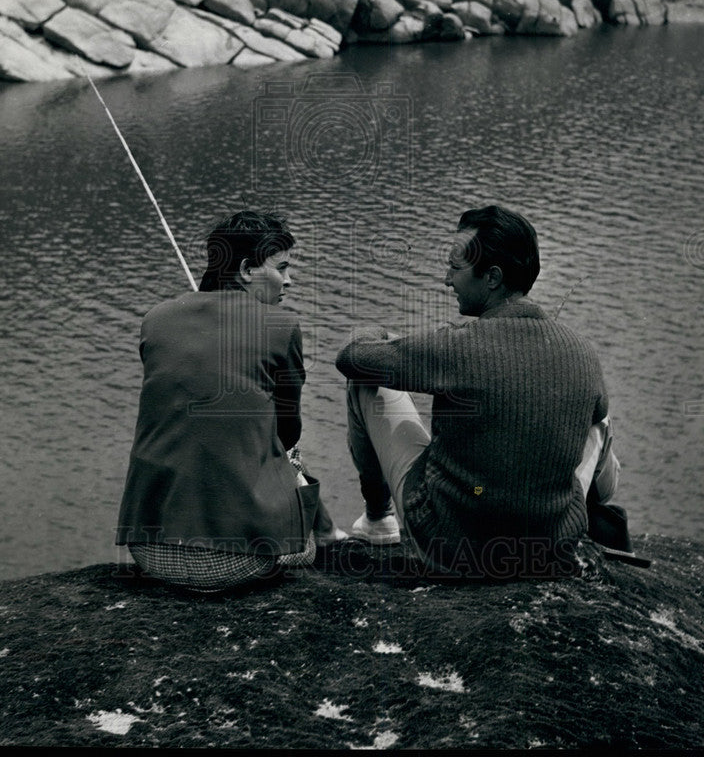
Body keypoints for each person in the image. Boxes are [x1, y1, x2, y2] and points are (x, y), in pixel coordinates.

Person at [335, 204, 623, 579]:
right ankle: (600, 519)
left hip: (450, 549)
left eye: (455, 268)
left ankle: (378, 519)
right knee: (599, 422)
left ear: (492, 278)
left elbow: (351, 357)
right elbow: (594, 414)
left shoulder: (457, 346)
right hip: (546, 552)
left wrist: (386, 338)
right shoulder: (582, 349)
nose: (446, 280)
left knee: (364, 381)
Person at [116, 210, 344, 593]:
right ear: (245, 270)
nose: (289, 280)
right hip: (243, 558)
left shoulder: (155, 319)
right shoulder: (280, 326)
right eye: (282, 267)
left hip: (149, 551)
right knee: (290, 461)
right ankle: (330, 535)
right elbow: (288, 433)